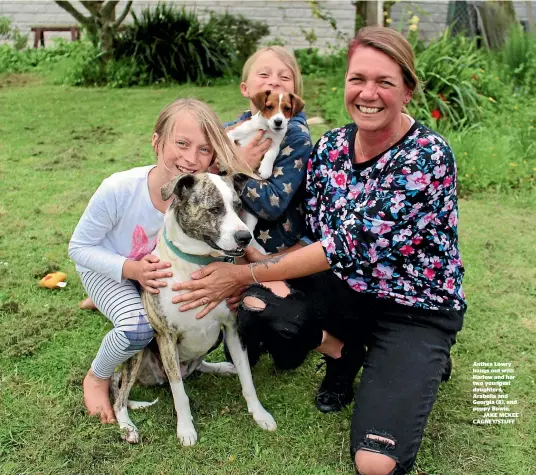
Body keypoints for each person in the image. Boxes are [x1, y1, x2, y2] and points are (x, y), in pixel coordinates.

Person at [170, 27, 466, 475]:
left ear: (408, 90)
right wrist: (259, 269)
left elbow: (346, 244)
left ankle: (416, 356)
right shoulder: (330, 147)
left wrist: (249, 273)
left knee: (375, 463)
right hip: (341, 292)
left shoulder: (427, 156)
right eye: (357, 79)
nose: (368, 93)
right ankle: (345, 354)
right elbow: (307, 227)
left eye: (384, 82)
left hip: (412, 307)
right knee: (261, 313)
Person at [68, 98, 246, 423]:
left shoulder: (203, 197)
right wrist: (131, 270)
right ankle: (97, 378)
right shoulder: (119, 189)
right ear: (156, 141)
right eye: (181, 143)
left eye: (204, 150)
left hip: (158, 275)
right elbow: (79, 248)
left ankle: (190, 356)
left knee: (188, 313)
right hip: (109, 268)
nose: (191, 158)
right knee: (138, 326)